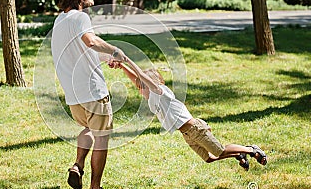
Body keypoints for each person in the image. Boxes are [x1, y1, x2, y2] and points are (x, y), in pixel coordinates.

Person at [108, 58, 267, 170]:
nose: (139, 88)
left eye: (141, 85)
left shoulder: (160, 92)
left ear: (152, 84)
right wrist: (122, 67)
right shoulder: (151, 97)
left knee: (219, 151)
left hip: (195, 129)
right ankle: (238, 154)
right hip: (186, 133)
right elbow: (136, 78)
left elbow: (141, 76)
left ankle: (251, 150)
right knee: (209, 158)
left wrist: (127, 60)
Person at [51, 0, 126, 189]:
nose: (93, 1)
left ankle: (77, 165)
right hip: (93, 90)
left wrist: (105, 58)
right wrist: (113, 50)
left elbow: (82, 50)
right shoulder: (80, 17)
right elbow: (90, 41)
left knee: (89, 129)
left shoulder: (60, 21)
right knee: (101, 137)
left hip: (74, 96)